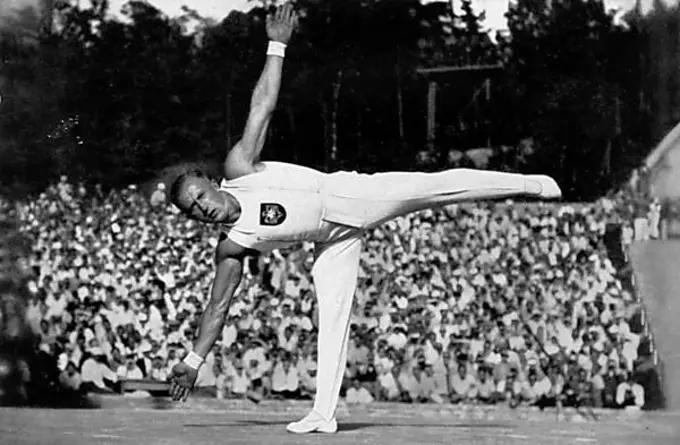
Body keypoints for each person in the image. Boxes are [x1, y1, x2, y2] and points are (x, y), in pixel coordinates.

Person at [167, 1, 562, 435]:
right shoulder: (233, 245)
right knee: (332, 317)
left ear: (209, 182)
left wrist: (276, 46)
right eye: (192, 209)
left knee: (433, 187)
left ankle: (527, 183)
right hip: (331, 242)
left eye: (198, 195)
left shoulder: (240, 168)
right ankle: (323, 414)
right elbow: (217, 307)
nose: (201, 207)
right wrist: (192, 360)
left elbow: (262, 106)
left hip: (347, 195)